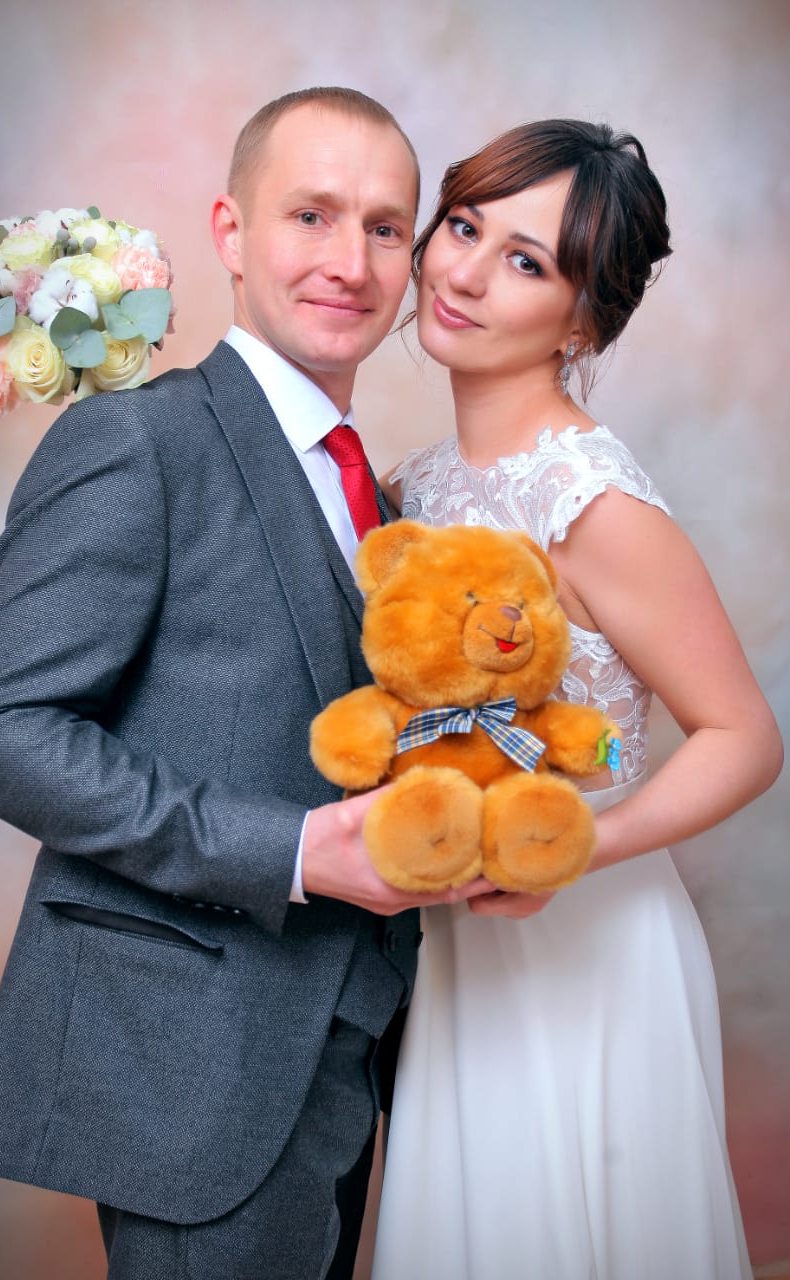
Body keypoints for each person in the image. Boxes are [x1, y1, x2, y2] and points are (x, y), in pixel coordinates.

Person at [0, 87, 489, 1280]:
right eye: (311, 215)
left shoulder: (377, 496)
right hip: (193, 1068)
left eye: (385, 227)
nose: (349, 261)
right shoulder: (139, 443)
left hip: (358, 1047)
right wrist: (289, 849)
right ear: (231, 233)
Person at [371, 119, 784, 1279]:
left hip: (587, 937)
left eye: (524, 261)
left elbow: (746, 735)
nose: (463, 273)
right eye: (464, 227)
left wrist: (571, 846)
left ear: (583, 322)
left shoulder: (592, 501)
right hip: (460, 939)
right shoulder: (414, 482)